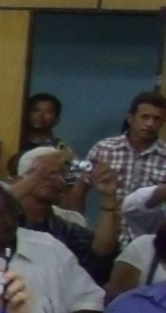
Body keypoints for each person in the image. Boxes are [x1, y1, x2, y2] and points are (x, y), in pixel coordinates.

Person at [12, 146, 120, 279]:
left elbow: (101, 254)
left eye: (59, 173)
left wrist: (109, 197)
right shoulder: (3, 219)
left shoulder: (66, 226)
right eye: (43, 171)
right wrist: (37, 177)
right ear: (18, 180)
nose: (51, 178)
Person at [89, 91, 166, 243]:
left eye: (157, 119)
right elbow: (79, 188)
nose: (150, 124)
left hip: (149, 242)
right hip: (107, 238)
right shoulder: (105, 148)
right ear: (130, 118)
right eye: (145, 117)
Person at [20, 92, 70, 158]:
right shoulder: (16, 140)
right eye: (35, 110)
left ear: (57, 119)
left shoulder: (60, 149)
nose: (40, 115)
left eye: (48, 112)